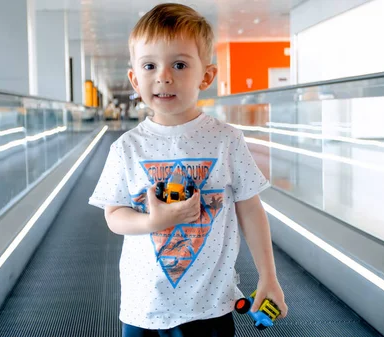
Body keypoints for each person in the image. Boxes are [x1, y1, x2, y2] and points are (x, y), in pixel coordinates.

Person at [88, 3, 287, 336]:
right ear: (135, 80)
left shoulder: (227, 141)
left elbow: (251, 211)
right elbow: (114, 215)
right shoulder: (126, 148)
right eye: (150, 65)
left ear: (206, 76)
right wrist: (155, 221)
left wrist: (269, 276)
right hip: (145, 305)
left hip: (209, 304)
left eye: (179, 64)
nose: (163, 76)